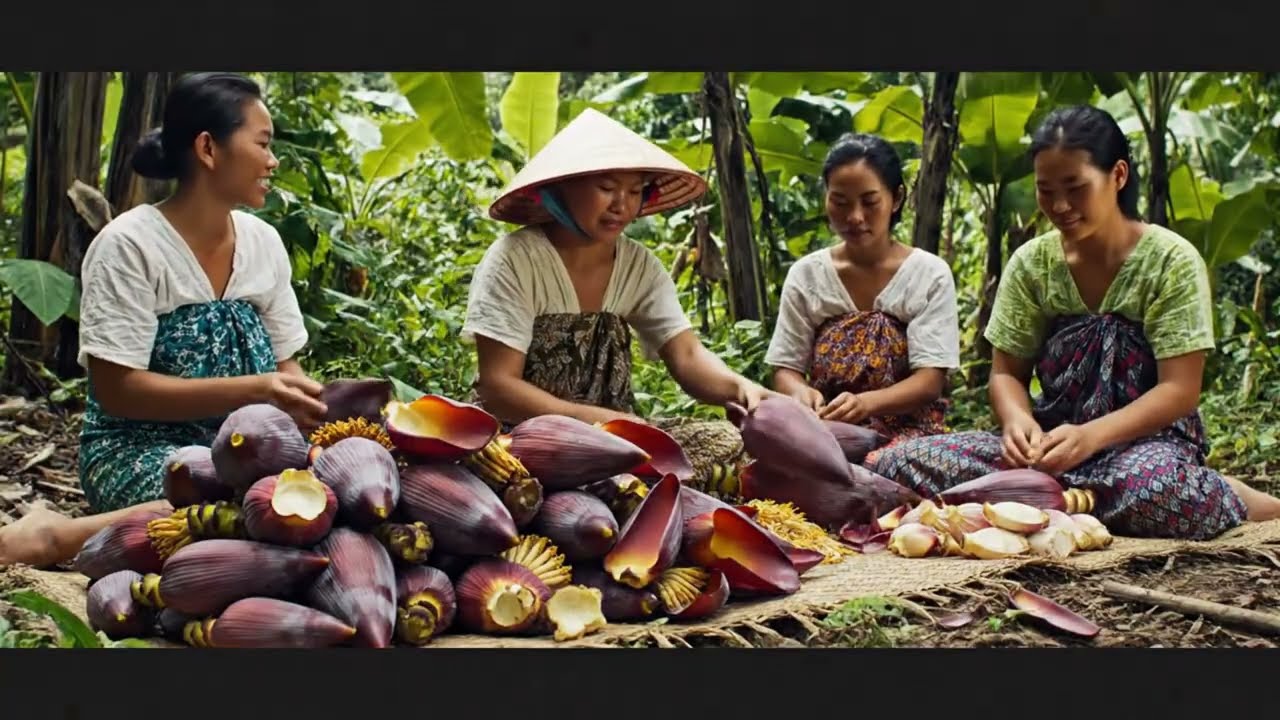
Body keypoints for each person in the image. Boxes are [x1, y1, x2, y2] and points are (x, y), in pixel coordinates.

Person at [873, 104, 1280, 540]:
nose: (1060, 206)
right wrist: (1017, 424)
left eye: (1076, 188)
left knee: (1158, 489)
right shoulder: (1032, 264)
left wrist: (1090, 438)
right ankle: (1058, 498)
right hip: (1049, 446)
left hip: (1145, 449)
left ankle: (1221, 494)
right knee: (903, 463)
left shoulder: (1170, 261)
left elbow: (1179, 389)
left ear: (1118, 176)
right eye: (1046, 191)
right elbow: (1007, 373)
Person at [0, 72, 327, 568]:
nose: (273, 160)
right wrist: (257, 391)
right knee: (235, 512)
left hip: (250, 456)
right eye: (263, 144)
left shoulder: (264, 243)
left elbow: (287, 366)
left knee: (319, 499)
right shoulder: (129, 246)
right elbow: (116, 391)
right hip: (142, 450)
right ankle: (56, 538)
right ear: (208, 149)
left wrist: (311, 409)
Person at [463, 108, 777, 487]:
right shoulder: (515, 259)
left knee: (728, 442)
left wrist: (741, 386)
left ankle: (624, 485)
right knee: (522, 486)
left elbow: (687, 354)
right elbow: (499, 386)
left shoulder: (638, 265)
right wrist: (596, 422)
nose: (622, 206)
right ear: (563, 186)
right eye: (607, 189)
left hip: (616, 442)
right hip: (523, 440)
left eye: (634, 191)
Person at [766, 133, 959, 465]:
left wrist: (867, 404)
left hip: (911, 440)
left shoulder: (929, 274)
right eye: (840, 202)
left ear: (896, 198)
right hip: (826, 431)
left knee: (891, 465)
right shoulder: (807, 275)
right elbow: (786, 368)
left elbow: (929, 381)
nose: (855, 217)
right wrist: (801, 393)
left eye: (869, 202)